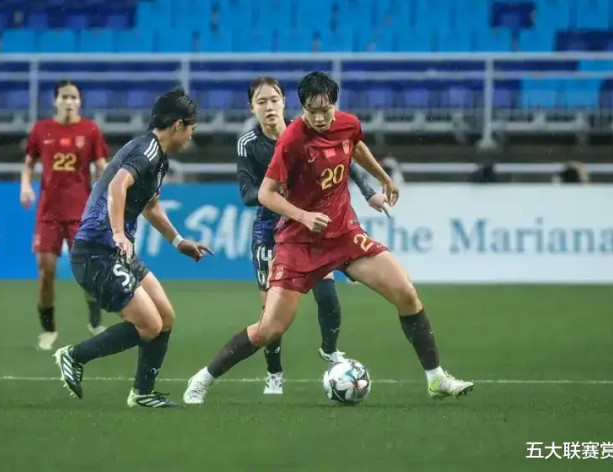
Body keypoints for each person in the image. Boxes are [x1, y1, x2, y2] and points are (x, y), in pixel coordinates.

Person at [184, 72, 473, 404]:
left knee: (406, 293)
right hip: (299, 243)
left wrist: (383, 178)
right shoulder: (291, 141)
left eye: (326, 110)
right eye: (312, 111)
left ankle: (436, 378)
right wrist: (304, 216)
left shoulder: (348, 124)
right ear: (302, 107)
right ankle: (203, 378)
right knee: (270, 328)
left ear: (335, 104)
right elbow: (265, 194)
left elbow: (355, 147)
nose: (320, 118)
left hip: (343, 235)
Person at [53, 87, 212, 408]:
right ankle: (74, 355)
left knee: (165, 317)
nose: (191, 136)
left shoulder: (157, 156)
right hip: (97, 250)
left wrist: (178, 241)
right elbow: (117, 185)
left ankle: (142, 393)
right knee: (149, 324)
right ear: (178, 125)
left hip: (116, 252)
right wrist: (117, 232)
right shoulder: (147, 151)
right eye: (191, 129)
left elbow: (150, 206)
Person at [237, 76, 389, 395]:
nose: (269, 107)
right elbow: (249, 193)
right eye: (261, 102)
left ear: (284, 102)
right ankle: (274, 374)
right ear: (252, 108)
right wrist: (278, 189)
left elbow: (348, 159)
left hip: (308, 229)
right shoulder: (248, 144)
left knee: (328, 295)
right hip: (269, 230)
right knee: (270, 319)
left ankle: (330, 350)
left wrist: (369, 192)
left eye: (274, 100)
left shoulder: (306, 130)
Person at [20, 80, 109, 351]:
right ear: (55, 100)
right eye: (64, 97)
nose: (69, 102)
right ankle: (48, 329)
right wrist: (25, 185)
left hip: (80, 213)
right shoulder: (41, 129)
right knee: (46, 270)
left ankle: (95, 320)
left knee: (87, 271)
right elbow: (29, 162)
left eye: (73, 97)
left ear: (79, 101)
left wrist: (104, 193)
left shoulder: (90, 130)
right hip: (48, 212)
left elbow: (101, 165)